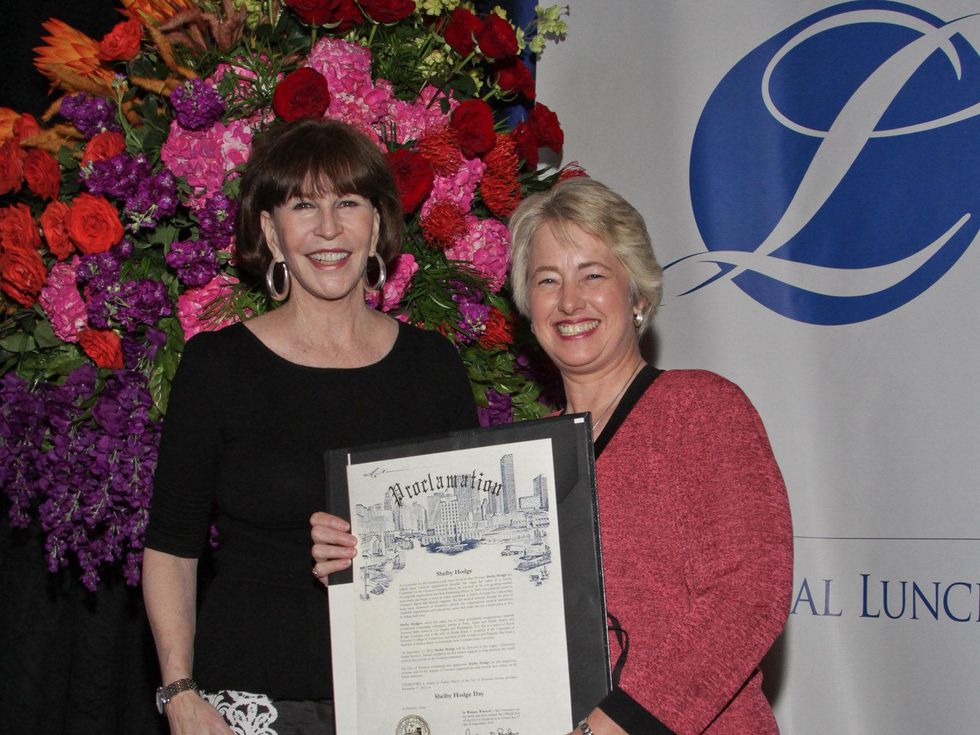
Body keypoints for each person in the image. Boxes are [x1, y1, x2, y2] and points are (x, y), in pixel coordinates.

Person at [142, 118, 478, 735]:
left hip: (408, 698)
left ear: (377, 223)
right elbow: (171, 548)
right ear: (271, 231)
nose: (329, 229)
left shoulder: (434, 368)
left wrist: (385, 550)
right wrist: (181, 694)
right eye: (304, 206)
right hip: (248, 700)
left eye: (348, 203)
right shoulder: (218, 367)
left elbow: (472, 548)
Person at [507, 177, 794, 735]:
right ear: (528, 306)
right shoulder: (521, 457)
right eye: (547, 280)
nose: (569, 301)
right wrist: (362, 559)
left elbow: (748, 595)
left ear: (636, 296)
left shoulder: (701, 409)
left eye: (593, 274)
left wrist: (614, 725)